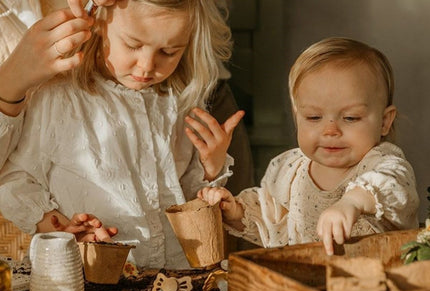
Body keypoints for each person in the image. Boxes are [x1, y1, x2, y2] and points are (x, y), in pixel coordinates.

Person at [0, 0, 244, 269]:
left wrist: (209, 168)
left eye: (169, 51)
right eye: (133, 45)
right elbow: (15, 179)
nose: (147, 66)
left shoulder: (175, 101)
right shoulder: (58, 98)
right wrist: (55, 224)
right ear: (97, 24)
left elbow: (182, 194)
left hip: (172, 274)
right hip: (92, 275)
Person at [198, 37, 420, 255]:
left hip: (377, 285)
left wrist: (352, 202)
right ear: (297, 118)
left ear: (384, 121)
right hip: (307, 283)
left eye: (351, 118)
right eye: (314, 117)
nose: (330, 130)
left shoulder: (383, 164)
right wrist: (236, 211)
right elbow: (273, 222)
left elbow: (393, 187)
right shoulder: (291, 170)